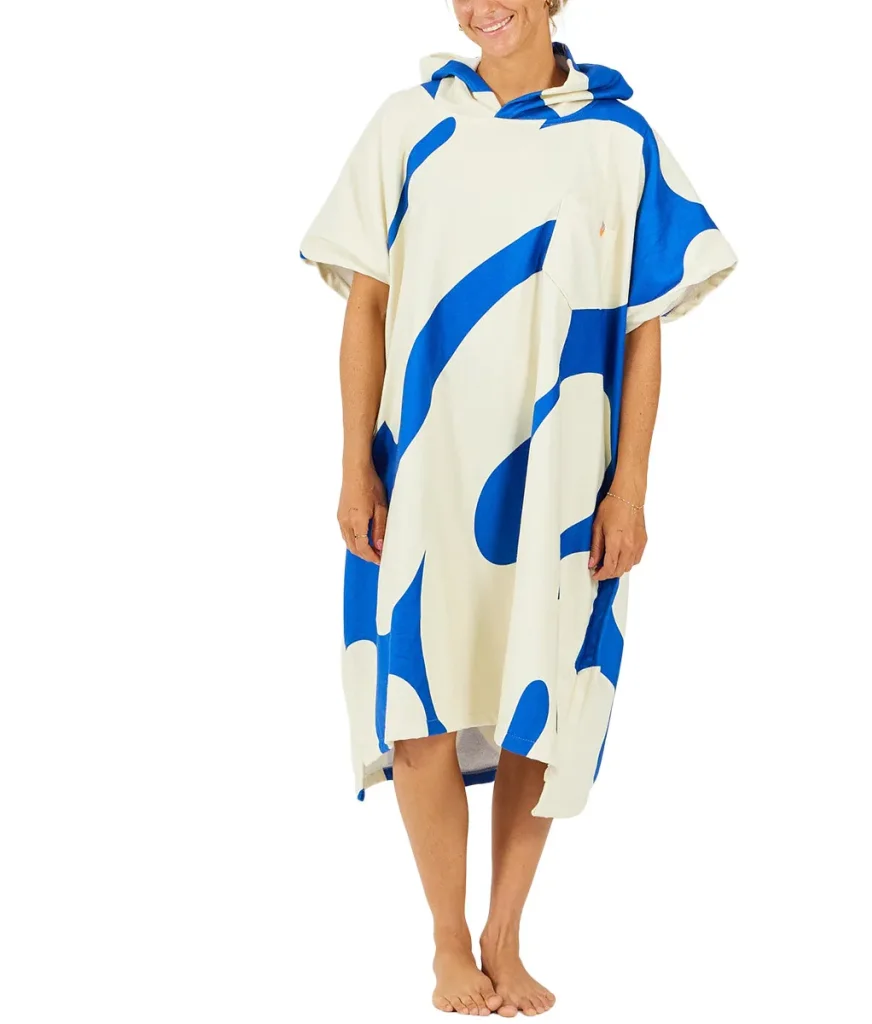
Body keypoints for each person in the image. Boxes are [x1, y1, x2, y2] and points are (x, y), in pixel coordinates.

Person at [297, 0, 737, 1015]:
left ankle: (505, 931)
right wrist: (354, 465)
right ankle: (448, 943)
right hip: (424, 462)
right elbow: (366, 303)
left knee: (540, 697)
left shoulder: (619, 139)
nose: (482, 6)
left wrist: (630, 486)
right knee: (419, 695)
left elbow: (642, 329)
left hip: (562, 473)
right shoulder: (410, 122)